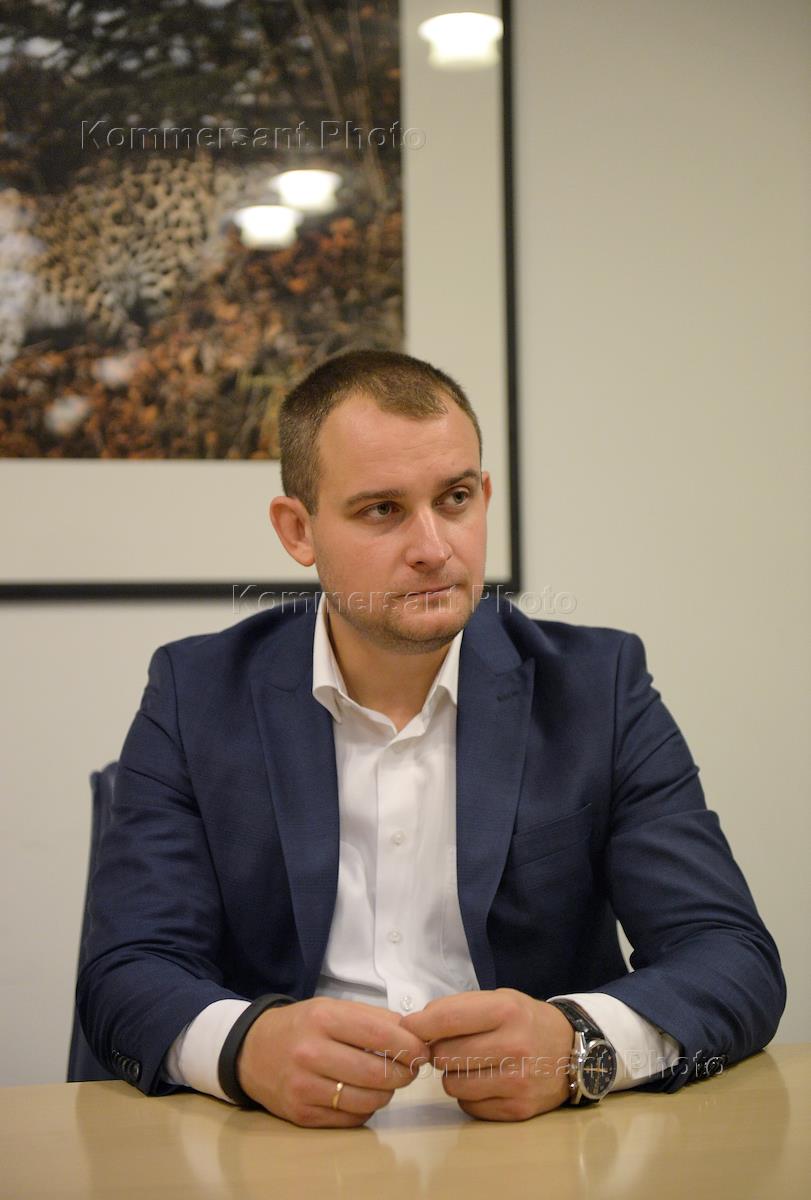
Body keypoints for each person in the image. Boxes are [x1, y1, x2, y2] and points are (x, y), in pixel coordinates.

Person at [77, 349, 785, 1127]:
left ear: (484, 496)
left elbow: (729, 957)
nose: (433, 547)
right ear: (297, 530)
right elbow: (126, 973)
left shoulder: (597, 690)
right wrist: (247, 1048)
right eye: (381, 510)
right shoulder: (195, 693)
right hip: (283, 1145)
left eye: (454, 499)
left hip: (536, 1143)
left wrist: (578, 1045)